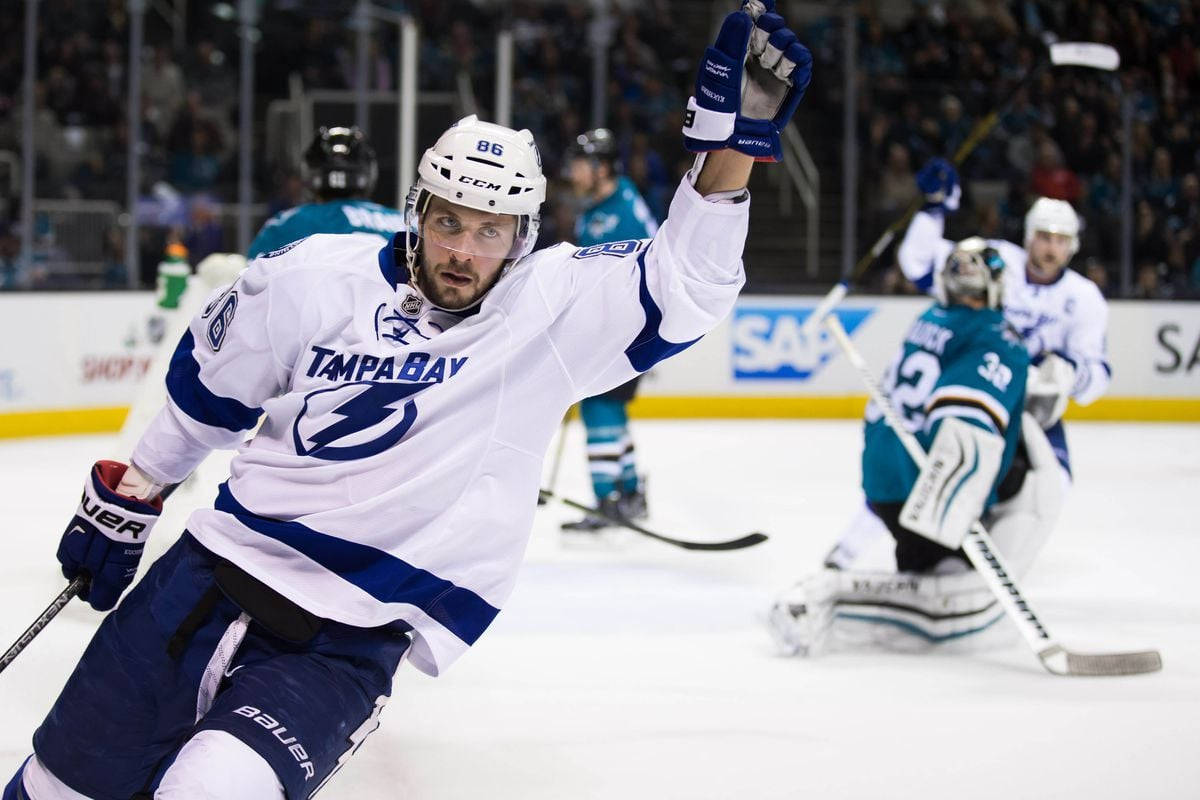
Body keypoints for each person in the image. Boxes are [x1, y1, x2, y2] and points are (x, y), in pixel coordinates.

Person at [5, 4, 811, 798]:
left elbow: (687, 285)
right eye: (449, 222)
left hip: (342, 642)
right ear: (414, 211)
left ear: (523, 238)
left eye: (491, 232)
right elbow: (207, 390)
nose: (464, 251)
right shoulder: (314, 274)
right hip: (206, 573)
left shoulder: (546, 309)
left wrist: (729, 151)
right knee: (54, 790)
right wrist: (135, 494)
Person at [769, 239, 1063, 655]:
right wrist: (949, 510)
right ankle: (823, 599)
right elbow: (965, 425)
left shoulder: (931, 317)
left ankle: (915, 569)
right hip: (923, 478)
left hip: (884, 471)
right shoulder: (1000, 339)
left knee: (931, 573)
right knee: (947, 602)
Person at [822, 157, 1110, 570]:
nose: (1051, 247)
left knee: (1054, 484)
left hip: (1028, 410)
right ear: (1029, 237)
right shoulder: (995, 260)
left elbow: (1097, 373)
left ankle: (994, 569)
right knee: (925, 465)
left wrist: (1069, 374)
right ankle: (850, 551)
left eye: (1061, 239)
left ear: (1073, 245)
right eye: (1044, 236)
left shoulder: (1084, 298)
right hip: (968, 388)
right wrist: (934, 209)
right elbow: (919, 264)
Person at [560, 127, 660, 532]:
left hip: (621, 332)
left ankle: (607, 502)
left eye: (581, 164)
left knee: (599, 407)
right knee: (612, 410)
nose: (573, 172)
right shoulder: (613, 202)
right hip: (628, 330)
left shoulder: (614, 216)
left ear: (601, 168)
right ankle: (630, 492)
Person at [246, 126, 403, 259]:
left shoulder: (289, 223)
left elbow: (253, 279)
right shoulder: (403, 222)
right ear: (368, 173)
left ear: (311, 172)